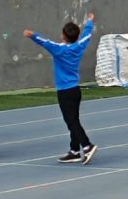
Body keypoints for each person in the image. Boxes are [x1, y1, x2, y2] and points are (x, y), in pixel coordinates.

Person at [23, 14, 99, 163]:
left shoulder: (59, 50)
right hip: (75, 90)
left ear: (63, 35)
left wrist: (32, 35)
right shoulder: (79, 46)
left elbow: (45, 43)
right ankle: (75, 150)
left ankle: (87, 145)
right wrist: (90, 21)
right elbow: (87, 34)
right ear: (76, 36)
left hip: (65, 91)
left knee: (71, 121)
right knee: (74, 120)